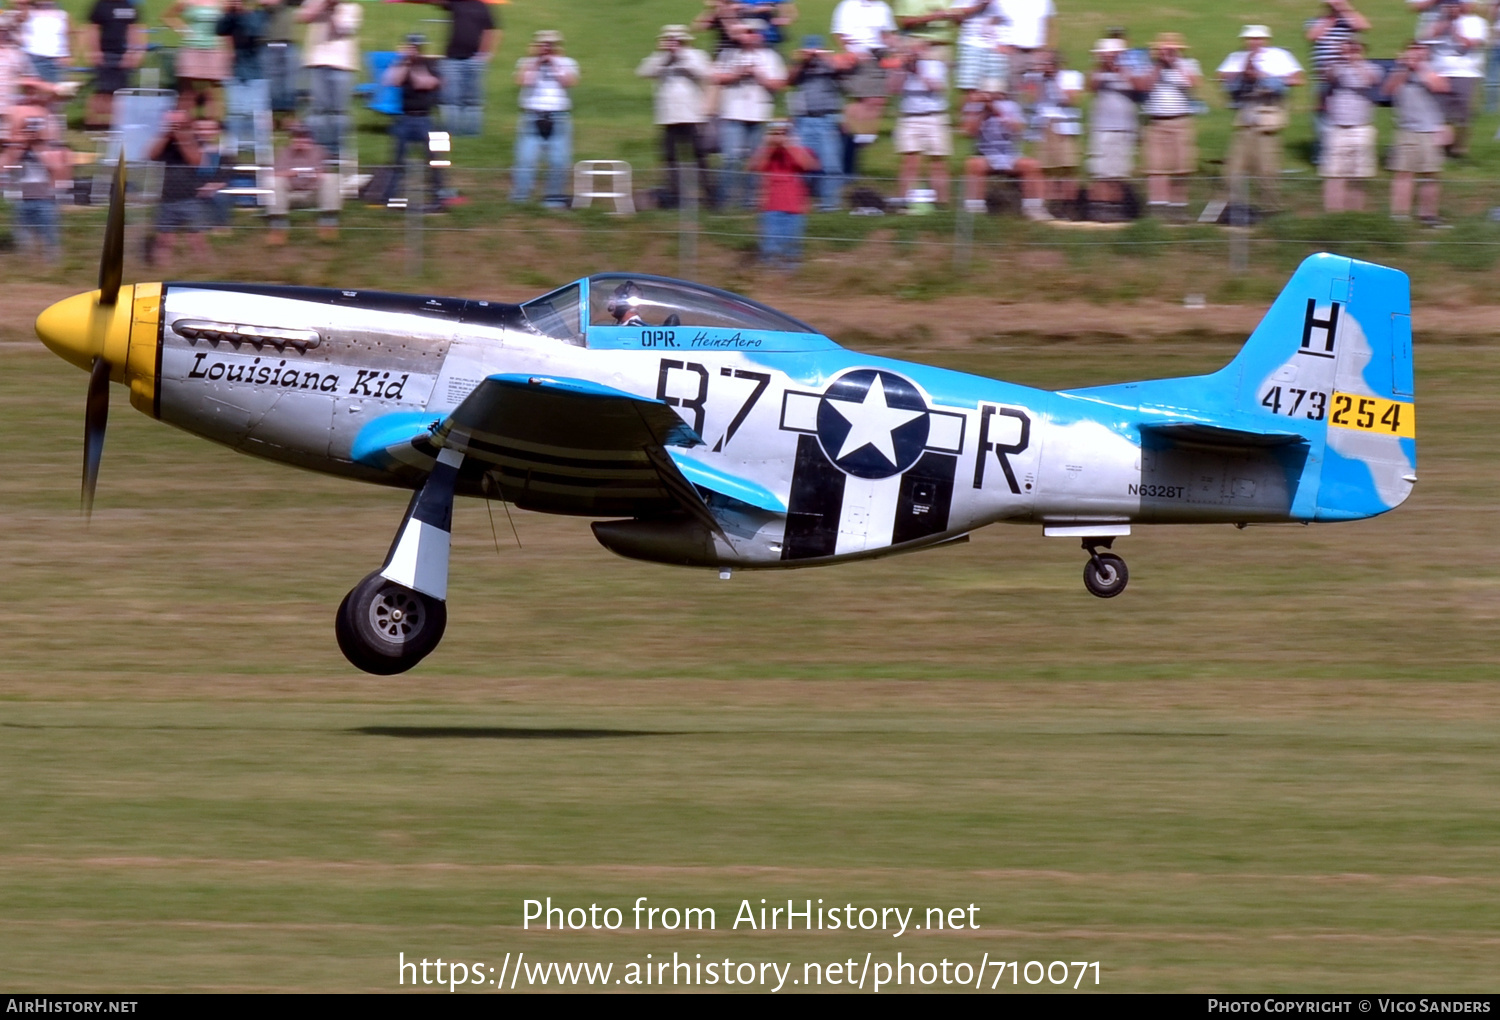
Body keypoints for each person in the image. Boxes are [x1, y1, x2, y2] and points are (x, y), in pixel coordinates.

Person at [1219, 25, 1304, 212]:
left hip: (1267, 122)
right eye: (1250, 38)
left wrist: (1265, 79)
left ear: (1266, 39)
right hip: (1245, 122)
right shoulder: (1237, 57)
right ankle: (1221, 212)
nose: (1254, 42)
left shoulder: (1279, 56)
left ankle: (1271, 211)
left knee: (1267, 173)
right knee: (1231, 171)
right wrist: (1244, 73)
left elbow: (1297, 79)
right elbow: (1222, 78)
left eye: (1258, 38)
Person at [637, 24, 714, 210]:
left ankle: (711, 196)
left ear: (683, 40)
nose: (673, 42)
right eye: (669, 39)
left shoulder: (696, 55)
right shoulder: (660, 58)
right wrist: (665, 58)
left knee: (699, 155)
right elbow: (642, 72)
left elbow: (706, 74)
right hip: (668, 117)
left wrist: (682, 57)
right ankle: (675, 196)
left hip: (692, 116)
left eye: (676, 39)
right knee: (670, 156)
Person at [713, 24, 786, 209]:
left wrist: (759, 75)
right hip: (733, 113)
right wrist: (738, 74)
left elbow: (779, 84)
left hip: (759, 115)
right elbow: (716, 77)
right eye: (748, 32)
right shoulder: (728, 54)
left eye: (755, 32)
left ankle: (751, 200)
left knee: (756, 160)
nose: (752, 35)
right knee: (731, 159)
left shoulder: (771, 56)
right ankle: (725, 201)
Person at [961, 77, 1046, 219]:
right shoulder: (974, 107)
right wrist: (982, 113)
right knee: (974, 165)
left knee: (1031, 165)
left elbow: (1018, 130)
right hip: (985, 154)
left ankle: (1034, 209)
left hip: (1009, 155)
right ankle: (974, 209)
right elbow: (969, 132)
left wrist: (997, 111)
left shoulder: (1011, 106)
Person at [1385, 39, 1450, 225]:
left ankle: (1428, 215)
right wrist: (1404, 69)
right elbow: (1388, 90)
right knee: (1403, 174)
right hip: (1406, 130)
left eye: (1420, 50)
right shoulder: (1399, 71)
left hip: (1430, 130)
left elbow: (1440, 86)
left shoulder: (1433, 68)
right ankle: (1399, 216)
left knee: (1431, 174)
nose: (1416, 53)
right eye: (1412, 50)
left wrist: (1420, 67)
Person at [511, 30, 578, 208]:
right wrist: (536, 63)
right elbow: (523, 81)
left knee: (559, 160)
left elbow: (569, 82)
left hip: (558, 117)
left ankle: (553, 199)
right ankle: (521, 198)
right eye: (542, 44)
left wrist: (554, 64)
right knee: (525, 159)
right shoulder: (526, 62)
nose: (546, 48)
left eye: (550, 45)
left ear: (557, 47)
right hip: (532, 117)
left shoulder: (567, 63)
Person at [383, 33, 446, 212]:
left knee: (435, 161)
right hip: (405, 118)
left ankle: (438, 197)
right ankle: (391, 199)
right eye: (411, 46)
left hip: (426, 119)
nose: (413, 50)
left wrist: (415, 67)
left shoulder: (430, 64)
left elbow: (424, 83)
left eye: (416, 47)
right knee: (397, 161)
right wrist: (405, 63)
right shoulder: (401, 64)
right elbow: (392, 81)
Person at [787, 34, 850, 211]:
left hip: (827, 119)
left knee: (830, 164)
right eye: (810, 50)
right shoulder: (801, 67)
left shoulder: (830, 64)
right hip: (804, 120)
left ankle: (829, 204)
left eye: (816, 49)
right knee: (801, 164)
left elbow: (844, 80)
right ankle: (798, 202)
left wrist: (825, 59)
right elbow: (789, 80)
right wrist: (802, 62)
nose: (813, 53)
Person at [1141, 32, 1200, 218]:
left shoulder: (1189, 64)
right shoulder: (1149, 66)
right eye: (1163, 49)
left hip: (1180, 121)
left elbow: (1193, 83)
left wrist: (1175, 63)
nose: (1167, 53)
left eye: (1171, 49)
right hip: (1156, 122)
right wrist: (1159, 65)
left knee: (1181, 167)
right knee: (1155, 168)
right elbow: (1145, 86)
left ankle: (1179, 208)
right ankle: (1158, 209)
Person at [1086, 37, 1147, 218]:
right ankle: (1099, 209)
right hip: (1102, 128)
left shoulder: (1130, 70)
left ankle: (1116, 210)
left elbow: (1140, 87)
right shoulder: (1098, 73)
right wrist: (1103, 66)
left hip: (1124, 128)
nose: (1108, 58)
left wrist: (1120, 69)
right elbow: (1091, 86)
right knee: (1100, 173)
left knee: (1119, 174)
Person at [1305, 0, 1370, 165]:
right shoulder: (1317, 21)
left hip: (1345, 79)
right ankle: (1321, 158)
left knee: (1343, 117)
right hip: (1323, 78)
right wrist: (1329, 19)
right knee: (1322, 118)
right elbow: (1312, 35)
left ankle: (1344, 157)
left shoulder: (1348, 22)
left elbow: (1364, 26)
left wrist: (1343, 7)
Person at [146, 107, 212, 266]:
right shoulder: (164, 141)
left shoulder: (194, 139)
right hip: (167, 197)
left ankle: (205, 269)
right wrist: (166, 135)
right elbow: (151, 155)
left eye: (177, 122)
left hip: (190, 197)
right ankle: (161, 270)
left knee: (197, 238)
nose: (174, 125)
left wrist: (181, 138)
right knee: (164, 239)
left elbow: (196, 161)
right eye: (171, 122)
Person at [1321, 37, 1381, 212]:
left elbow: (1370, 80)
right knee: (1333, 174)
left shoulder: (1372, 67)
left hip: (1361, 128)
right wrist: (1338, 58)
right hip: (1337, 127)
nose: (1349, 54)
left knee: (1359, 175)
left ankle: (1355, 214)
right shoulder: (1337, 68)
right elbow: (1328, 76)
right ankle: (1333, 214)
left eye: (1353, 50)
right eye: (1346, 50)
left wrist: (1356, 63)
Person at [1, 103, 67, 262]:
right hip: (23, 199)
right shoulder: (18, 150)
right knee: (23, 238)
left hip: (45, 199)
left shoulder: (49, 149)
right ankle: (27, 264)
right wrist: (18, 146)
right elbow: (4, 167)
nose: (31, 133)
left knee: (49, 236)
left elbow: (56, 169)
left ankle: (51, 264)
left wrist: (39, 147)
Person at [298, 0, 362, 161]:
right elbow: (303, 17)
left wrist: (333, 9)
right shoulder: (316, 2)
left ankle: (337, 150)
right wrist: (323, 5)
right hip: (318, 63)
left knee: (339, 112)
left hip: (342, 65)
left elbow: (342, 29)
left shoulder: (352, 8)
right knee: (319, 111)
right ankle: (318, 149)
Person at [747, 119, 817, 266]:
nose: (779, 137)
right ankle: (770, 275)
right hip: (770, 207)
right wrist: (769, 146)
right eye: (775, 133)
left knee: (792, 246)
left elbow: (808, 165)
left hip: (795, 208)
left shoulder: (797, 149)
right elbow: (753, 166)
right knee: (770, 245)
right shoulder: (766, 151)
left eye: (783, 133)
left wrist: (788, 145)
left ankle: (789, 277)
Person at [891, 36, 951, 207]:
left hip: (934, 116)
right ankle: (903, 201)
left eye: (916, 49)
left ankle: (942, 203)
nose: (913, 52)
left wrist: (918, 71)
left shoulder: (935, 65)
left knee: (938, 161)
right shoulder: (900, 66)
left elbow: (937, 87)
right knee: (909, 161)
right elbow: (894, 89)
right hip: (909, 117)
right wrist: (902, 69)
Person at [1425, 0, 1487, 155]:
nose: (1452, 9)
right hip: (1440, 72)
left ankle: (1459, 149)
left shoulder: (1476, 22)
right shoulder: (1437, 21)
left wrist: (1454, 28)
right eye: (1449, 6)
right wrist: (1443, 23)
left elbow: (1468, 45)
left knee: (1462, 116)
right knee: (1439, 114)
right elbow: (1425, 40)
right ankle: (1441, 149)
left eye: (1455, 6)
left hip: (1465, 73)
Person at [1026, 48, 1083, 207]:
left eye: (1047, 62)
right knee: (1046, 168)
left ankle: (1069, 205)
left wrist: (1054, 79)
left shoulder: (1071, 76)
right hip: (1044, 124)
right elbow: (1031, 99)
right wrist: (1038, 80)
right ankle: (1050, 204)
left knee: (1068, 167)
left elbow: (1071, 100)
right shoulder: (1036, 79)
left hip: (1064, 125)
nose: (1043, 66)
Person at [268, 120, 339, 242]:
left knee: (332, 179)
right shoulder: (284, 152)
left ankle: (328, 225)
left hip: (313, 193)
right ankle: (279, 228)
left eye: (303, 137)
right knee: (273, 181)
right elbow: (275, 174)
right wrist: (293, 173)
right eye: (296, 137)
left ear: (310, 139)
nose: (300, 141)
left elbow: (324, 173)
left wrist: (314, 171)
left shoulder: (318, 151)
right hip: (289, 194)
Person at [215, 0, 269, 152]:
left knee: (257, 113)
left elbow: (253, 31)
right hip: (236, 72)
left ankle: (260, 151)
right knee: (235, 112)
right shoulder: (232, 16)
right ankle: (231, 151)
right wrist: (229, 13)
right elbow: (219, 29)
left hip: (257, 73)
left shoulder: (259, 15)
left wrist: (240, 13)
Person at [441, 0, 499, 137]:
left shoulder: (483, 6)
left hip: (474, 60)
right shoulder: (456, 3)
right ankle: (451, 132)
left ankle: (471, 134)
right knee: (451, 99)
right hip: (452, 59)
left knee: (472, 100)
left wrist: (484, 54)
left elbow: (490, 30)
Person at [164, 0, 231, 119]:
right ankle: (183, 126)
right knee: (187, 92)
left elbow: (230, 24)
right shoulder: (186, 1)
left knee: (213, 92)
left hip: (215, 48)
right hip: (192, 48)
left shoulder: (223, 2)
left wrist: (228, 49)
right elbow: (168, 16)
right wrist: (184, 30)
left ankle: (212, 128)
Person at [82, 0, 144, 130]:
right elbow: (93, 29)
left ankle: (119, 124)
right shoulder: (101, 5)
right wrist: (95, 51)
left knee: (122, 91)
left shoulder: (130, 6)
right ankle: (93, 125)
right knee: (102, 90)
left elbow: (133, 30)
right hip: (105, 53)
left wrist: (133, 52)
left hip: (124, 54)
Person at [953, 1, 1007, 95]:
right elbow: (955, 16)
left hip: (994, 47)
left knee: (994, 90)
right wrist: (980, 6)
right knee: (969, 89)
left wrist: (998, 40)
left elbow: (1001, 18)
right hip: (970, 45)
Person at [259, 0, 300, 123]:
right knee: (270, 83)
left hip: (288, 42)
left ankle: (290, 118)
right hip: (268, 42)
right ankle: (271, 119)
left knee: (291, 82)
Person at [997, 0, 1054, 88]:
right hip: (1013, 53)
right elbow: (993, 20)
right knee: (1012, 90)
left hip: (1037, 53)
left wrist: (1048, 50)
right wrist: (999, 44)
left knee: (1038, 91)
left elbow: (1050, 24)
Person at [894, 0, 959, 64]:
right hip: (916, 43)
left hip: (943, 45)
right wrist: (932, 17)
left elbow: (959, 17)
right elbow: (903, 22)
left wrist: (954, 16)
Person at [19, 0, 69, 84]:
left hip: (55, 58)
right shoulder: (29, 13)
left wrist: (66, 53)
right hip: (33, 56)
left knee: (56, 91)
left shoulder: (61, 14)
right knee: (37, 90)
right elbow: (21, 17)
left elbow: (65, 34)